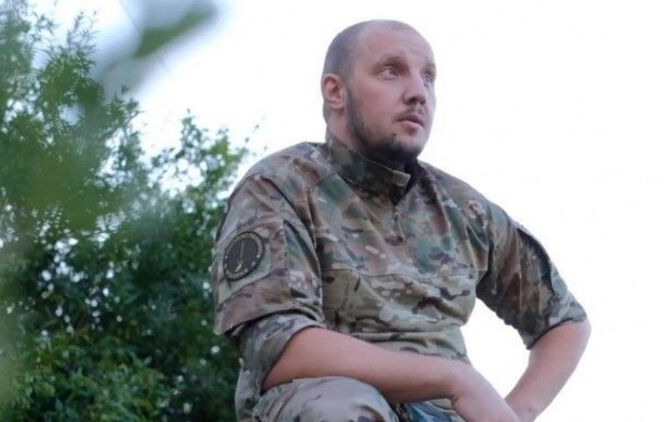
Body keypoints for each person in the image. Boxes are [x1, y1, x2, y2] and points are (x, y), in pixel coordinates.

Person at [211, 19, 590, 422]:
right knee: (341, 408)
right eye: (391, 71)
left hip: (445, 414)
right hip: (330, 402)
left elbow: (564, 321)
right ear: (336, 91)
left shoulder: (463, 209)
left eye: (428, 77)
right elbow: (276, 348)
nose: (417, 93)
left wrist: (514, 412)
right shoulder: (281, 186)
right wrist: (457, 379)